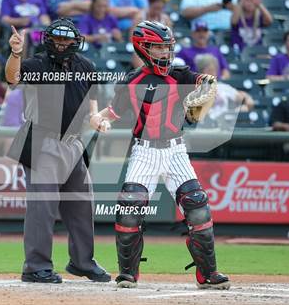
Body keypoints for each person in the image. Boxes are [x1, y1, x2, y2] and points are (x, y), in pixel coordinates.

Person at [90, 20, 230, 289]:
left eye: (167, 47)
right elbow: (113, 113)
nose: (165, 53)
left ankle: (208, 273)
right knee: (129, 209)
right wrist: (99, 118)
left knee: (198, 208)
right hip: (144, 152)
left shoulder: (179, 74)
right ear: (143, 49)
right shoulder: (132, 81)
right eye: (158, 48)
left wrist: (207, 87)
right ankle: (129, 273)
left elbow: (206, 81)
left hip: (176, 151)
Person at [5, 18, 111, 283]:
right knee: (43, 207)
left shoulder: (86, 66)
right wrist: (16, 53)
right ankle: (35, 267)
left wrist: (97, 119)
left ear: (75, 42)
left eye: (67, 39)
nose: (62, 43)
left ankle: (82, 262)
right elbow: (12, 78)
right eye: (58, 38)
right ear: (48, 39)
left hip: (74, 142)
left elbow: (92, 107)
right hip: (42, 139)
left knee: (82, 204)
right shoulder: (36, 64)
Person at [195, 54, 254, 120]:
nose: (212, 74)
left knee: (244, 109)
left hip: (225, 122)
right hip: (206, 123)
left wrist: (247, 98)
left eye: (214, 70)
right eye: (209, 70)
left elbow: (241, 96)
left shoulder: (222, 87)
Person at [131, 0, 172, 68]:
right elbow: (132, 38)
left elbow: (170, 39)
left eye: (160, 9)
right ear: (149, 5)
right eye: (155, 8)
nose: (157, 11)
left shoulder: (166, 20)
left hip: (160, 47)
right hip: (143, 47)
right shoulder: (139, 17)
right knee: (137, 53)